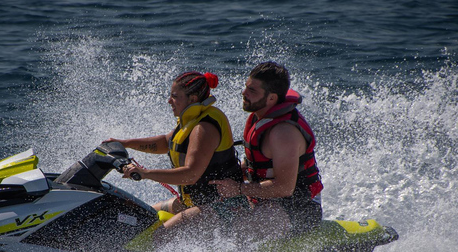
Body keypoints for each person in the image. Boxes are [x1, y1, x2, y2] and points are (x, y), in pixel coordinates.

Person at [105, 71, 243, 230]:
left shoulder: (204, 127)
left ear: (193, 99)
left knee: (159, 238)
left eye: (175, 96)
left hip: (223, 206)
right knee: (141, 215)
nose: (169, 101)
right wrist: (125, 143)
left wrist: (145, 173)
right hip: (195, 202)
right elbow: (166, 142)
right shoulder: (191, 120)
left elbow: (190, 175)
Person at [211, 61, 323, 239]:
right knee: (209, 217)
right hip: (266, 201)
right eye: (246, 87)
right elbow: (256, 163)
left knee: (233, 233)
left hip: (299, 209)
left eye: (252, 91)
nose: (244, 93)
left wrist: (239, 189)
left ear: (271, 98)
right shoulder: (261, 118)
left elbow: (285, 187)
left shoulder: (283, 133)